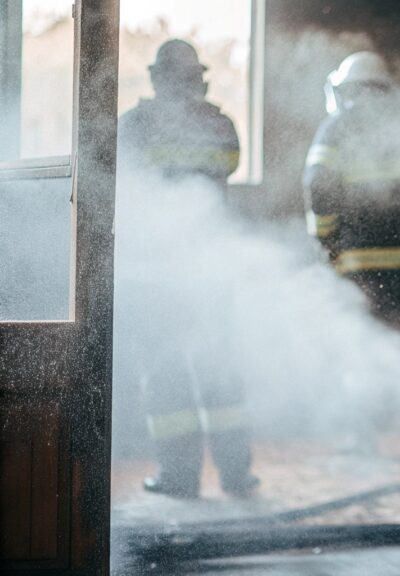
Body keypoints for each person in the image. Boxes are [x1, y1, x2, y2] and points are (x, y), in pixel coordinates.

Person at [119, 39, 259, 498]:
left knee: (166, 376)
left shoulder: (134, 127)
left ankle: (179, 480)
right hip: (208, 269)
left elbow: (116, 188)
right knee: (220, 370)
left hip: (158, 276)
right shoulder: (220, 125)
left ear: (158, 79)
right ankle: (237, 477)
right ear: (196, 79)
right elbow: (226, 167)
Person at [303, 51, 400, 384]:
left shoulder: (338, 127)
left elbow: (318, 182)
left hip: (362, 264)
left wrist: (325, 236)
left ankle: (362, 434)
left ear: (347, 90)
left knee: (357, 345)